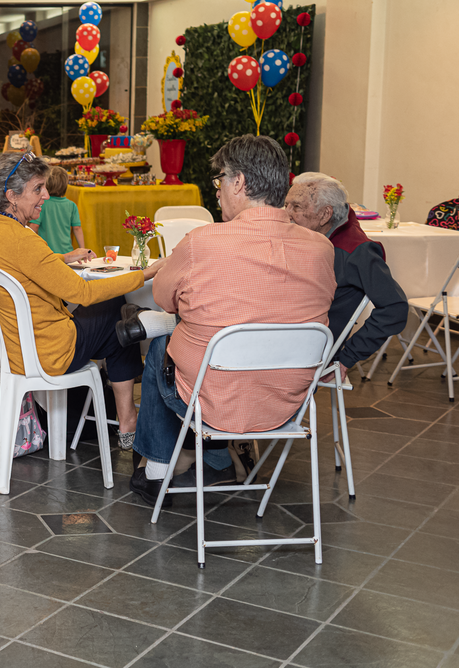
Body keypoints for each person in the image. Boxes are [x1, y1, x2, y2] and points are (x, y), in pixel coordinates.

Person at [130, 136, 336, 505]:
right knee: (204, 339)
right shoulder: (321, 247)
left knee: (165, 338)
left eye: (220, 180)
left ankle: (156, 469)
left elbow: (163, 298)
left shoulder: (201, 242)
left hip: (211, 401)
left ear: (239, 182)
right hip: (288, 404)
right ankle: (217, 459)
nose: (218, 190)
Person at [0, 151, 162, 450]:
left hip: (11, 351)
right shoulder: (25, 240)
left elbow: (19, 263)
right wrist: (147, 273)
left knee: (112, 322)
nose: (45, 195)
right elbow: (81, 293)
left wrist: (59, 258)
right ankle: (129, 418)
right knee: (119, 312)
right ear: (12, 196)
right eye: (37, 189)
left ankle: (126, 418)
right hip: (48, 353)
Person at [285, 173, 408, 379]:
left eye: (296, 207)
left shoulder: (357, 251)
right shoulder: (311, 235)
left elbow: (395, 308)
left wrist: (346, 358)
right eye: (286, 205)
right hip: (284, 337)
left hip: (305, 355)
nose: (286, 214)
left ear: (325, 214)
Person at [30, 167, 90, 259]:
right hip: (69, 254)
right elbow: (77, 228)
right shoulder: (72, 205)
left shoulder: (42, 204)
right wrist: (83, 250)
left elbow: (34, 226)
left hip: (48, 254)